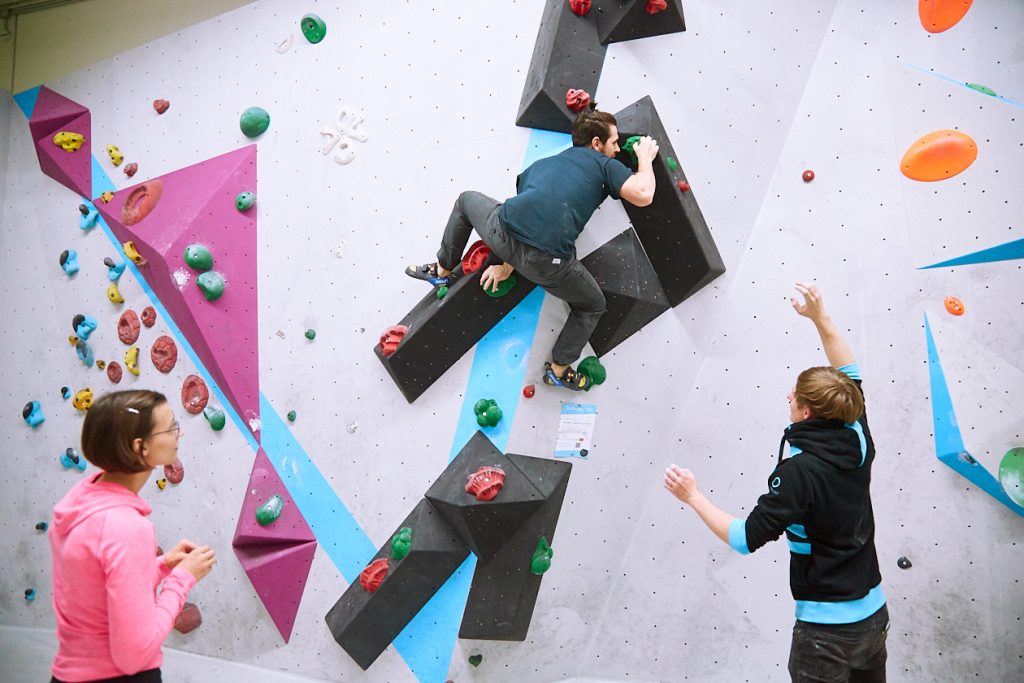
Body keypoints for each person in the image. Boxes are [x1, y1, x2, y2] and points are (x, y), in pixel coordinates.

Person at [664, 283, 888, 682]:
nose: (788, 396)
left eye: (793, 397)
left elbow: (744, 537)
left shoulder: (799, 473)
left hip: (826, 635)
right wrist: (821, 319)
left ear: (804, 412)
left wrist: (692, 496)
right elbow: (849, 373)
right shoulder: (855, 430)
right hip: (873, 615)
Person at [406, 104, 659, 390]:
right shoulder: (603, 164)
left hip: (501, 233)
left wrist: (506, 263)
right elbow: (643, 194)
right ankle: (559, 369)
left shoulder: (540, 165)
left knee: (466, 200)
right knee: (592, 305)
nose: (617, 150)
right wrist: (645, 158)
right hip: (546, 262)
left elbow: (532, 217)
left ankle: (441, 269)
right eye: (614, 143)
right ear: (596, 143)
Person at [49, 390, 216, 683]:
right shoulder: (126, 527)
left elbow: (98, 587)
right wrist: (181, 581)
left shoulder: (79, 504)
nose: (181, 432)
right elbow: (134, 655)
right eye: (171, 427)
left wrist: (161, 566)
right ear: (141, 448)